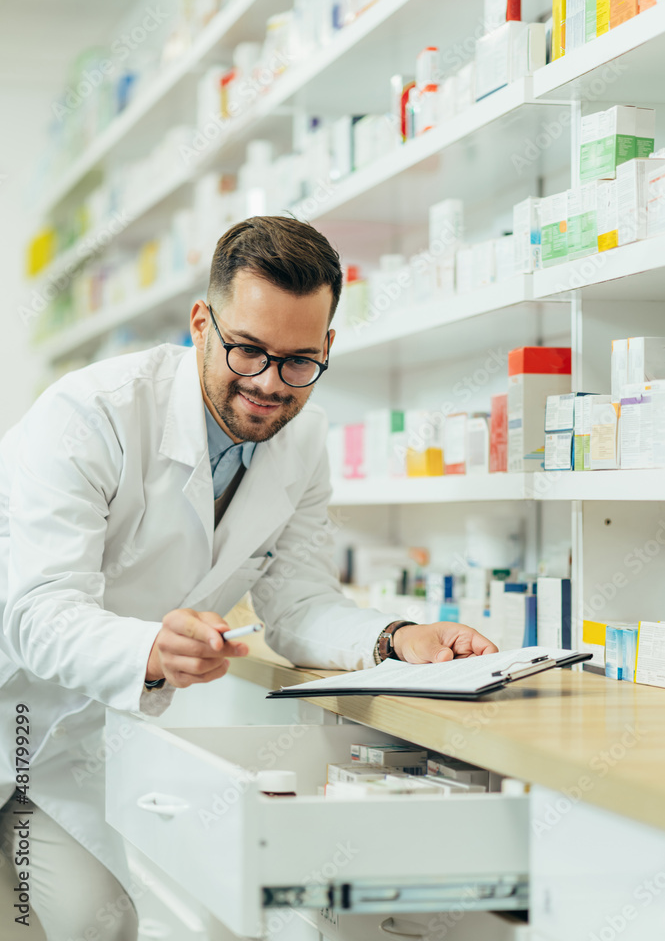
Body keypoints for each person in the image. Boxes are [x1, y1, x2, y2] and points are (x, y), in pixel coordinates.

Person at [0, 216, 497, 939]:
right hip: (15, 691)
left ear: (327, 346)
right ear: (201, 323)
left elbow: (297, 603)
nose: (269, 384)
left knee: (97, 923)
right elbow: (37, 612)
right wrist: (150, 652)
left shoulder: (304, 439)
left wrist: (395, 637)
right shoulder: (91, 414)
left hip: (51, 741)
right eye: (247, 351)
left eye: (298, 360)